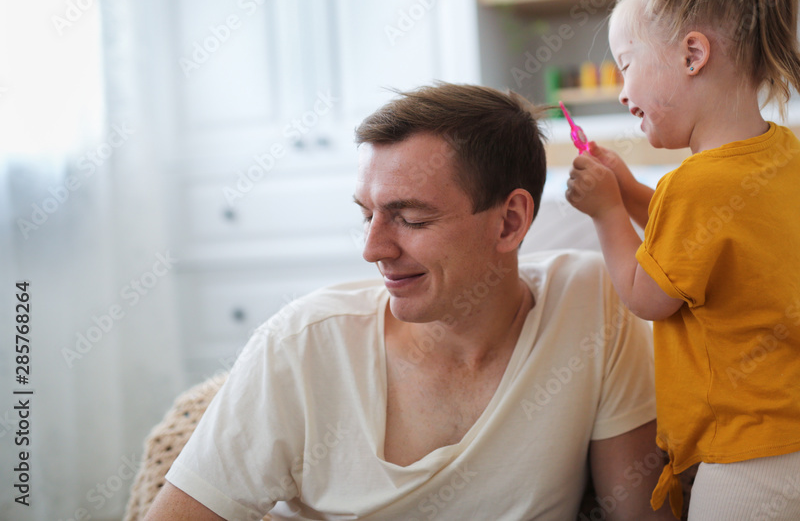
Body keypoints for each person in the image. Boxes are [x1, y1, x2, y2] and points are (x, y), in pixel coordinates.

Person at [145, 83, 677, 520]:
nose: (373, 249)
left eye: (411, 219)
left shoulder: (590, 300)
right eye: (366, 214)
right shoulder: (304, 345)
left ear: (510, 222)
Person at [565, 0, 800, 520]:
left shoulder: (695, 183)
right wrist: (628, 190)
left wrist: (607, 214)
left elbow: (648, 294)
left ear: (693, 54)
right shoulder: (780, 151)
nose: (622, 91)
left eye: (626, 65)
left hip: (758, 460)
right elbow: (707, 242)